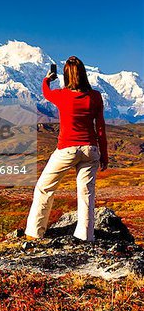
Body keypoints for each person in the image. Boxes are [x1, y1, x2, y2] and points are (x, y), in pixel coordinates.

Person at [25, 56, 108, 242]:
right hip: (90, 149)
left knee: (44, 188)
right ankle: (85, 237)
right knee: (86, 194)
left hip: (66, 149)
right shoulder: (95, 97)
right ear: (84, 74)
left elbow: (46, 92)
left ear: (66, 75)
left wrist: (47, 79)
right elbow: (100, 128)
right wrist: (104, 155)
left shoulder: (62, 95)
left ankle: (34, 232)